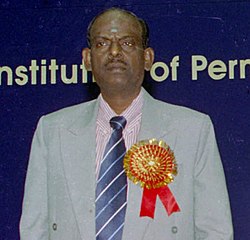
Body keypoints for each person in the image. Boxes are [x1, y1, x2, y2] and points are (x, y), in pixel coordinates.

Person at [20, 7, 233, 240]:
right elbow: (34, 229)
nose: (114, 52)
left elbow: (216, 232)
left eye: (127, 43)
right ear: (87, 59)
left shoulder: (193, 130)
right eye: (102, 43)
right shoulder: (52, 130)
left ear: (147, 58)